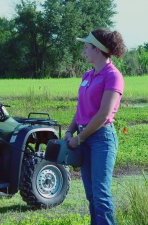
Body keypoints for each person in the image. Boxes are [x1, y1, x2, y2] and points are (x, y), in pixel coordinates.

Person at [65, 29, 126, 225]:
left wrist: (79, 138)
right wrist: (69, 130)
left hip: (102, 139)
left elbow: (104, 114)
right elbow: (81, 109)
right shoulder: (87, 75)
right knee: (91, 195)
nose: (84, 50)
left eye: (87, 46)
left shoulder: (113, 76)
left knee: (100, 195)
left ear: (98, 50)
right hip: (85, 137)